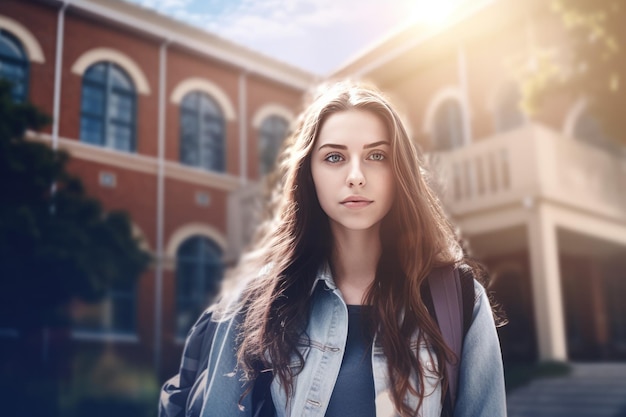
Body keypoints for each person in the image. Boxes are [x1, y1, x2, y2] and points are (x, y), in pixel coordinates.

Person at [160, 81, 507, 417]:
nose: (356, 176)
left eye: (376, 155)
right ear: (308, 173)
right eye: (334, 157)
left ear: (399, 170)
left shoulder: (458, 300)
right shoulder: (256, 304)